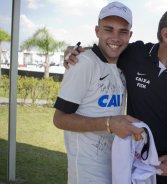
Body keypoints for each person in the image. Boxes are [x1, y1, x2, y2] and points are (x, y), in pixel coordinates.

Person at [65, 4, 167, 184]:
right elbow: (106, 50)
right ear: (166, 35)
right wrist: (77, 53)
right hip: (138, 169)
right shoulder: (135, 55)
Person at [53, 2, 144, 184]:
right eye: (108, 29)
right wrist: (109, 124)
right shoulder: (83, 63)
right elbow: (59, 119)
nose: (115, 37)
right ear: (97, 31)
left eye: (123, 32)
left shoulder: (121, 64)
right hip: (87, 173)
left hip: (115, 165)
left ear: (130, 35)